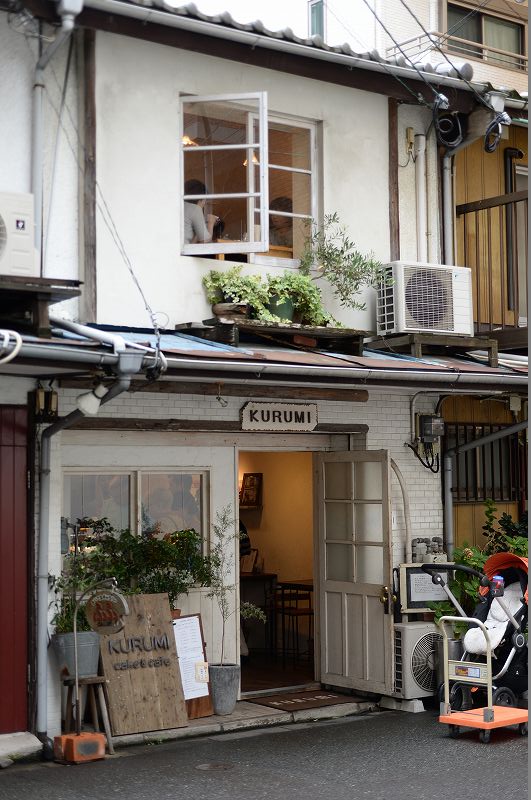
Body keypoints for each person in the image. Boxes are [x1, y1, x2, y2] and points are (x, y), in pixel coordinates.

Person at [183, 179, 219, 245]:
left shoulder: (180, 206)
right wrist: (211, 222)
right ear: (200, 198)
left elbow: (190, 245)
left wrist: (199, 230)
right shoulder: (195, 208)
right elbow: (205, 241)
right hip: (178, 251)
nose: (204, 204)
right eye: (205, 200)